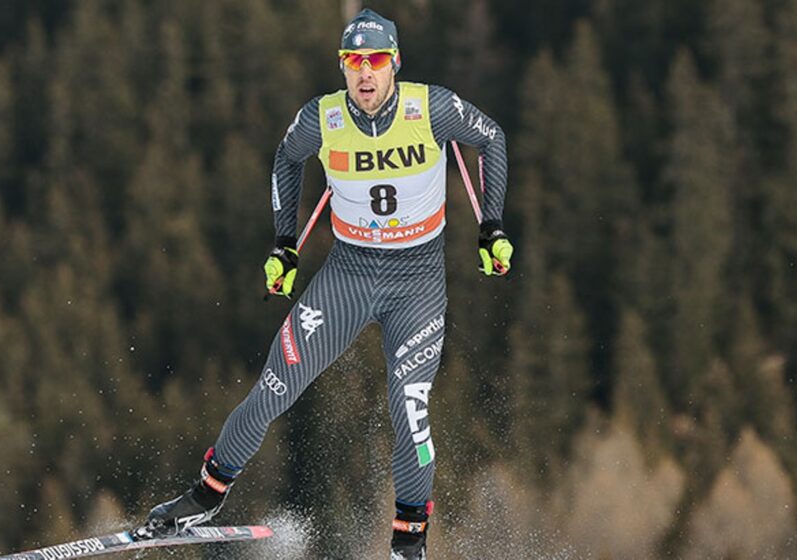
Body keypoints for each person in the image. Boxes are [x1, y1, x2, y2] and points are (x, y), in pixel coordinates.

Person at [133, 9, 513, 559]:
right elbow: (287, 160)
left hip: (417, 281)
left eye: (376, 61)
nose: (365, 73)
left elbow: (492, 138)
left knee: (408, 406)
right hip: (349, 274)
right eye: (354, 62)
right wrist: (284, 245)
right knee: (274, 387)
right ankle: (205, 495)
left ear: (395, 64)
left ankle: (409, 545)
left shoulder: (428, 106)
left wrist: (492, 226)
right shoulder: (322, 118)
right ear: (343, 68)